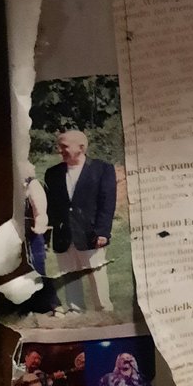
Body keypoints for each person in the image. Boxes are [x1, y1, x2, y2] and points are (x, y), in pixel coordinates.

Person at [44, 130, 116, 314]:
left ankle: (104, 310)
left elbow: (107, 203)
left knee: (96, 274)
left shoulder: (102, 169)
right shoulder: (52, 173)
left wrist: (102, 232)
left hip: (90, 233)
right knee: (69, 274)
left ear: (81, 148)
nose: (60, 150)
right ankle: (75, 310)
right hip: (63, 234)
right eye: (59, 146)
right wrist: (46, 233)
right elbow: (51, 207)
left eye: (64, 146)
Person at [23, 162, 60, 313]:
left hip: (31, 235)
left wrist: (38, 227)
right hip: (13, 238)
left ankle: (53, 305)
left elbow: (40, 211)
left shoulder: (32, 185)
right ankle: (26, 308)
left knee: (37, 270)